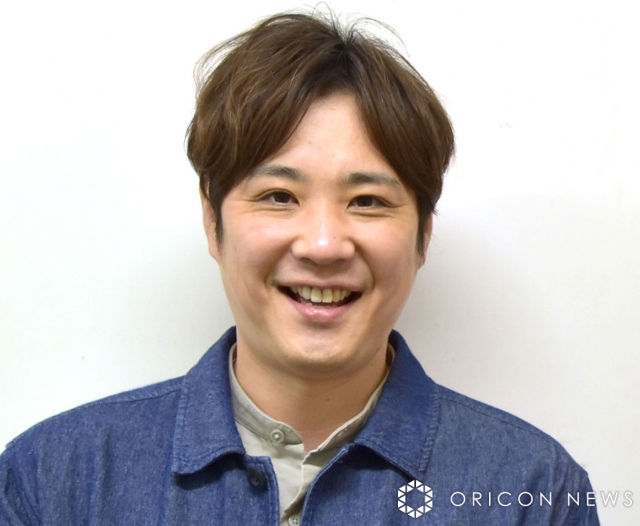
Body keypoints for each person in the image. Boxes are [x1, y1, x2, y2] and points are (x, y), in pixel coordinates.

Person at [0, 10, 599, 525]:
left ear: (423, 233)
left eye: (368, 201)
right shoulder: (53, 481)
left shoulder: (536, 492)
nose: (323, 244)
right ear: (212, 221)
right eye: (279, 196)